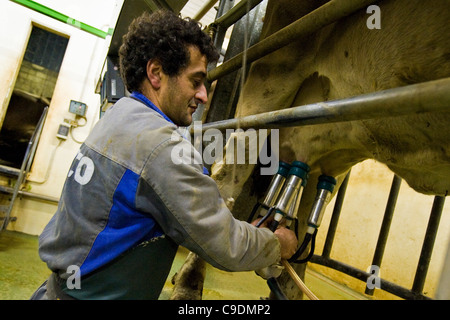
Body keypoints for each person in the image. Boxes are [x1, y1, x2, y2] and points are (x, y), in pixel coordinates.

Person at [31, 10, 297, 300]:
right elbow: (225, 245)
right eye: (195, 81)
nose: (204, 95)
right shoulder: (162, 147)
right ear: (156, 73)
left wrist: (240, 227)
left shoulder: (118, 114)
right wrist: (275, 244)